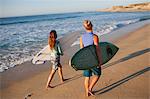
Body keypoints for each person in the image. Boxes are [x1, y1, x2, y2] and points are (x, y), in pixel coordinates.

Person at [80, 20, 102, 96]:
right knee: (98, 74)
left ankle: (87, 92)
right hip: (93, 59)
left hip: (86, 59)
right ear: (92, 26)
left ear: (84, 27)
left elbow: (81, 50)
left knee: (87, 76)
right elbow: (97, 49)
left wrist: (83, 60)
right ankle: (89, 89)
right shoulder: (94, 37)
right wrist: (100, 60)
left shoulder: (82, 37)